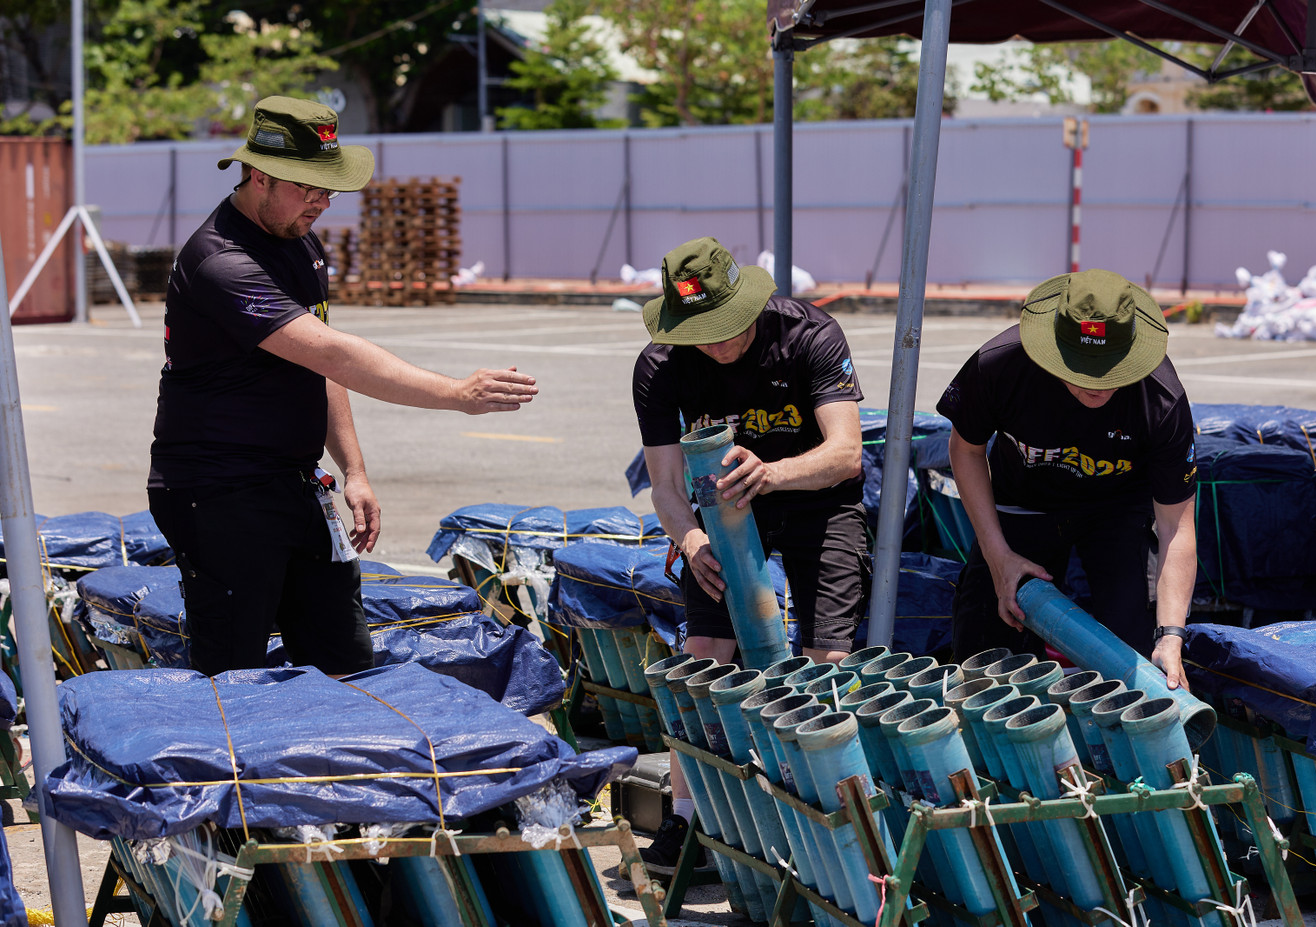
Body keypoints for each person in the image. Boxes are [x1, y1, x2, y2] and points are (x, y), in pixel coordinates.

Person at [147, 96, 538, 677]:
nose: (324, 203)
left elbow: (318, 367)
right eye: (310, 188)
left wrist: (354, 469)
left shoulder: (301, 244)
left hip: (291, 482)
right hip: (217, 491)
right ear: (260, 175)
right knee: (235, 675)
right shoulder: (220, 261)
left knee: (344, 659)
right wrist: (455, 393)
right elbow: (334, 353)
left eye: (330, 190)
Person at [631, 236, 868, 874]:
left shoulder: (809, 334)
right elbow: (665, 486)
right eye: (698, 331)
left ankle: (827, 815)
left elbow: (847, 453)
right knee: (703, 657)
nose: (714, 344)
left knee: (826, 659)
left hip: (817, 496)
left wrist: (773, 474)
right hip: (725, 511)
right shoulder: (659, 364)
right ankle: (686, 821)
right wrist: (691, 538)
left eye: (725, 327)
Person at [936, 268, 1196, 691]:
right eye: (1081, 370)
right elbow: (965, 449)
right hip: (1021, 501)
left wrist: (1171, 635)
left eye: (1111, 372)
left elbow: (1176, 526)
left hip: (1117, 509)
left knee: (1139, 653)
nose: (1096, 387)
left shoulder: (1160, 398)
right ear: (1051, 352)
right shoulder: (1000, 364)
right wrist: (998, 555)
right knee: (987, 653)